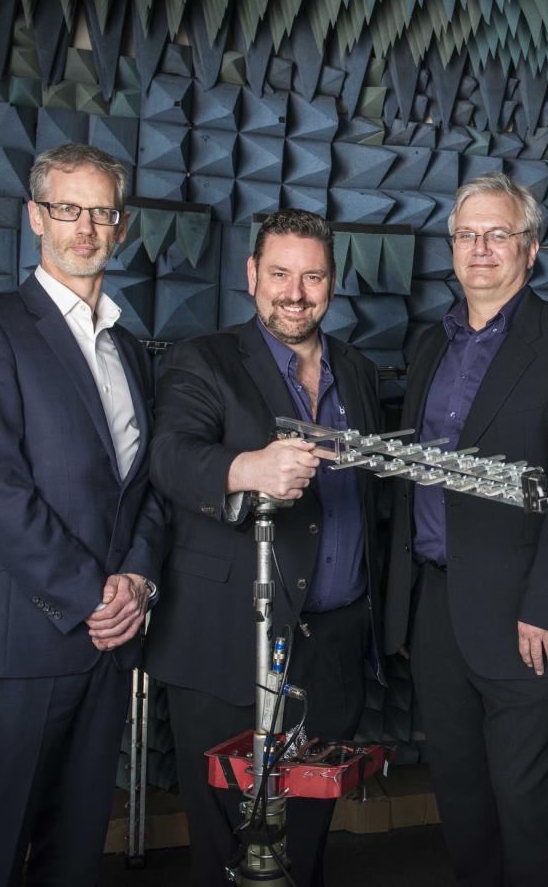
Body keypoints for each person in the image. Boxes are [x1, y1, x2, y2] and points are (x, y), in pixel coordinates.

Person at [383, 172, 548, 887]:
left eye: (498, 234)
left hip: (526, 614)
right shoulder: (432, 344)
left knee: (527, 805)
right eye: (466, 235)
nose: (480, 248)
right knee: (460, 798)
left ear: (532, 247)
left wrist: (546, 602)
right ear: (451, 248)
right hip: (435, 609)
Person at [0, 143, 164, 885]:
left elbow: (146, 488)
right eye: (68, 209)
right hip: (24, 640)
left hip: (109, 639)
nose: (86, 228)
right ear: (36, 216)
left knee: (74, 854)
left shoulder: (129, 348)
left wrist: (135, 579)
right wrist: (87, 594)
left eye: (100, 211)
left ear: (121, 225)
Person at [145, 208, 383, 887]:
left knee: (304, 837)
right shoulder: (205, 359)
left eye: (312, 276)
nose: (295, 292)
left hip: (331, 642)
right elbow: (170, 457)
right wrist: (246, 469)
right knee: (228, 836)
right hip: (227, 637)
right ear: (252, 275)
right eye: (279, 273)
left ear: (332, 282)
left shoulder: (358, 371)